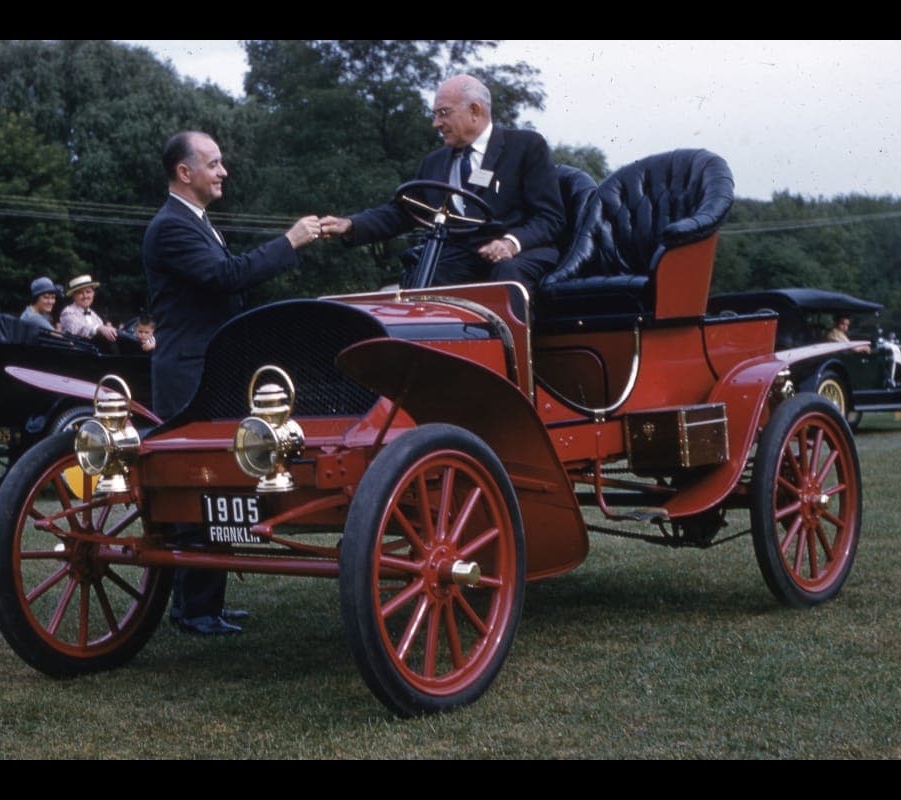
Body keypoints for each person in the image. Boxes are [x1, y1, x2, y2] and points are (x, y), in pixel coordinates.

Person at [144, 129, 322, 636]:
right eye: (215, 163)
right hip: (188, 373)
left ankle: (204, 605)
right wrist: (289, 242)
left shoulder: (194, 222)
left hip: (204, 368)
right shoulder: (171, 227)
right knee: (199, 487)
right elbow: (227, 277)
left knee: (216, 485)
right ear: (185, 172)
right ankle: (196, 610)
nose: (224, 172)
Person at [320, 74, 564, 293]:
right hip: (459, 258)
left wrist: (510, 243)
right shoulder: (434, 162)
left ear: (475, 111)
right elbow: (401, 212)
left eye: (443, 113)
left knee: (504, 278)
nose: (436, 124)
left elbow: (549, 218)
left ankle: (513, 344)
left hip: (520, 255)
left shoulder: (525, 147)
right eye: (434, 115)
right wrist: (350, 224)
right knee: (423, 274)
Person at [59, 274, 118, 342]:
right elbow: (79, 329)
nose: (85, 296)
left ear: (93, 294)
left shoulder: (94, 315)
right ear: (74, 296)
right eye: (80, 293)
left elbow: (103, 330)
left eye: (88, 292)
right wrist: (99, 328)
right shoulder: (68, 312)